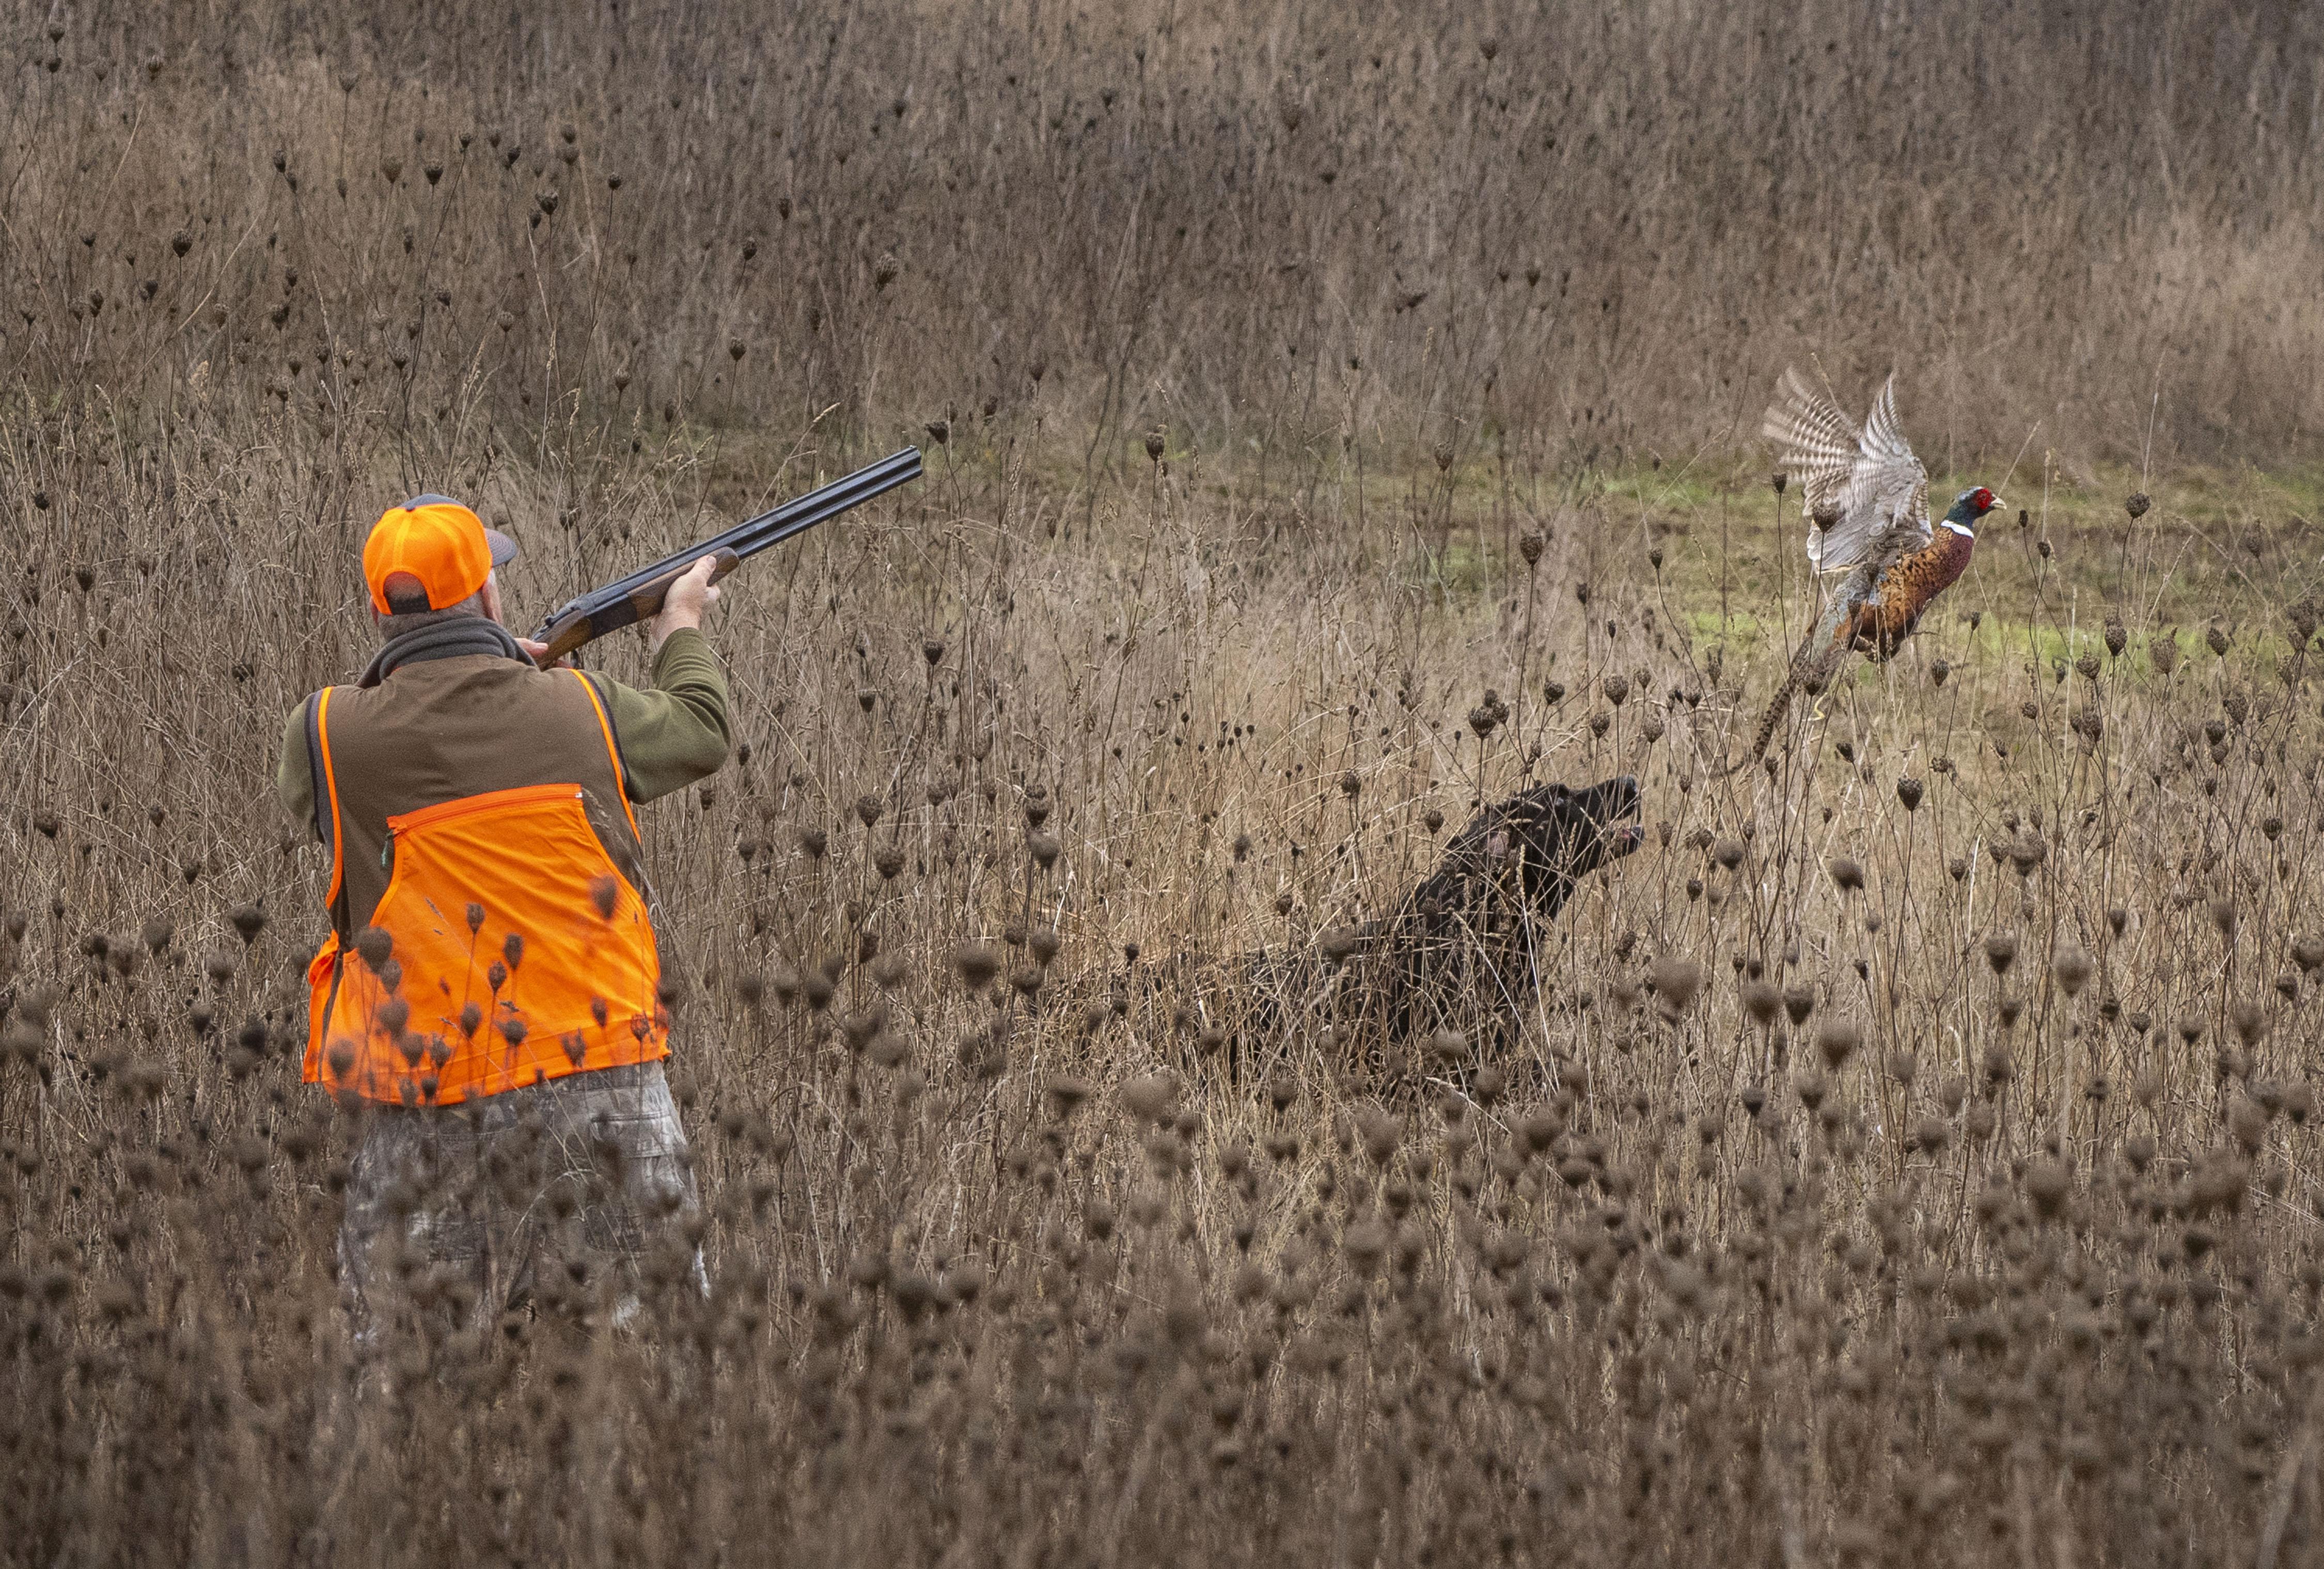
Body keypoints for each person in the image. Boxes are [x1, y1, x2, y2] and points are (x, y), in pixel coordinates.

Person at [276, 494, 729, 1345]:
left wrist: (474, 676)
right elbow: (702, 730)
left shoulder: (324, 737)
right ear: (489, 599)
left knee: (402, 1387)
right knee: (658, 1377)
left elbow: (353, 780)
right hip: (606, 1081)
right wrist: (681, 623)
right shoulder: (582, 708)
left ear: (381, 612)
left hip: (425, 1100)